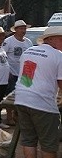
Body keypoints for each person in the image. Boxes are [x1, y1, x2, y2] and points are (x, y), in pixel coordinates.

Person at [14, 26, 62, 158]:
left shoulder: (29, 51)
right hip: (43, 105)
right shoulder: (58, 55)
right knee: (48, 144)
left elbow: (28, 79)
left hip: (22, 100)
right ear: (51, 39)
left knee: (29, 140)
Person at [3, 20, 33, 125]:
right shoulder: (8, 41)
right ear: (15, 30)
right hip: (12, 72)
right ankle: (9, 117)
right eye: (21, 28)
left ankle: (18, 116)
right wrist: (7, 70)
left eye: (24, 28)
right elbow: (3, 55)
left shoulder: (28, 42)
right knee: (10, 95)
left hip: (24, 74)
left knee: (22, 95)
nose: (23, 30)